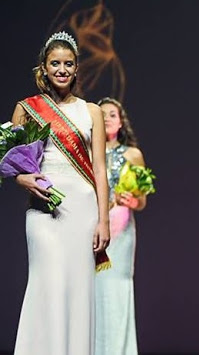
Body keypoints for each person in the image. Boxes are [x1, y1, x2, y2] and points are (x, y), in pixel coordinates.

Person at [11, 31, 110, 355]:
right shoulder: (27, 108)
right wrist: (21, 179)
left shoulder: (91, 111)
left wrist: (104, 221)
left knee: (78, 288)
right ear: (44, 67)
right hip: (44, 209)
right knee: (48, 283)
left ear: (77, 68)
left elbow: (98, 169)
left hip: (83, 210)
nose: (62, 69)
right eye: (56, 63)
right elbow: (13, 161)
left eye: (69, 64)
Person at [95, 97, 146, 355]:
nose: (106, 118)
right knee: (91, 287)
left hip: (121, 230)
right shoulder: (86, 151)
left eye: (112, 114)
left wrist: (132, 200)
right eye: (101, 114)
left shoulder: (133, 154)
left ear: (121, 121)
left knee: (116, 287)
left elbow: (142, 200)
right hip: (90, 226)